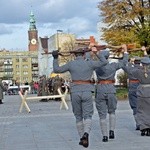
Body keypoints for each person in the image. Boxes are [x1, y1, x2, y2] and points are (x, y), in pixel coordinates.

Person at [52, 46, 108, 148]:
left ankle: (82, 137)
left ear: (74, 55)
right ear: (83, 55)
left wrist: (55, 57)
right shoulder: (89, 63)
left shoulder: (71, 64)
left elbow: (57, 69)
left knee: (78, 116)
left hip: (75, 91)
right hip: (87, 90)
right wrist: (97, 53)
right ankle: (86, 133)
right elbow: (104, 63)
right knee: (88, 115)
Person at [95, 44, 129, 142]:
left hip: (100, 89)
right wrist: (125, 51)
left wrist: (92, 50)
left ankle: (104, 136)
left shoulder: (97, 67)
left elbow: (88, 61)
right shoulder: (113, 66)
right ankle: (111, 131)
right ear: (107, 57)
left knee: (102, 114)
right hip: (110, 89)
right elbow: (124, 62)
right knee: (112, 111)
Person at [122, 47, 148, 130]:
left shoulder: (132, 69)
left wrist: (130, 62)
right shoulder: (143, 70)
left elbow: (122, 65)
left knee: (135, 107)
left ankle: (138, 123)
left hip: (133, 88)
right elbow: (147, 61)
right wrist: (144, 51)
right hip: (143, 87)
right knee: (145, 107)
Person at [130, 48, 150, 136]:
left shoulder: (137, 71)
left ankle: (143, 128)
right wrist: (145, 53)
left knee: (141, 110)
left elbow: (130, 70)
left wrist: (131, 62)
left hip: (141, 91)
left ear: (142, 63)